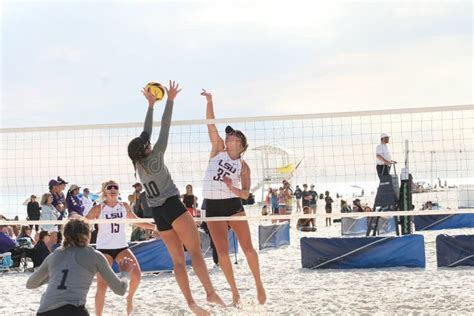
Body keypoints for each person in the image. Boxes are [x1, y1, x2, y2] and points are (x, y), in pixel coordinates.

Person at [127, 81, 224, 314]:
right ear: (147, 148)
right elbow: (165, 127)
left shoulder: (138, 162)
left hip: (158, 214)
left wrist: (151, 105)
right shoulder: (156, 155)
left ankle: (191, 302)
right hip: (172, 205)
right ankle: (210, 293)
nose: (149, 141)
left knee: (178, 262)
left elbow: (146, 132)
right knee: (196, 252)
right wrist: (169, 100)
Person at [201, 88, 266, 306]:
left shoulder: (243, 166)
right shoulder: (218, 149)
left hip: (233, 205)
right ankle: (234, 292)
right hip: (212, 207)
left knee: (248, 248)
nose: (228, 135)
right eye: (228, 134)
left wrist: (233, 188)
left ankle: (259, 284)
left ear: (239, 143)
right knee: (222, 253)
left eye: (232, 134)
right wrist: (210, 101)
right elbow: (210, 123)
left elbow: (246, 194)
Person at [27, 218, 135, 316]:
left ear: (65, 234)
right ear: (89, 235)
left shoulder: (54, 255)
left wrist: (55, 275)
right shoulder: (95, 255)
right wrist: (125, 272)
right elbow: (120, 290)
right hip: (72, 310)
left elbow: (30, 284)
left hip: (44, 311)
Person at [86, 180, 156, 316]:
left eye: (115, 187)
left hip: (121, 248)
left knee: (136, 275)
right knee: (102, 285)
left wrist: (155, 227)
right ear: (105, 191)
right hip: (104, 250)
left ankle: (129, 298)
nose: (112, 189)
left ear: (118, 191)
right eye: (109, 187)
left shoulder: (124, 206)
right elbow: (85, 221)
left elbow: (137, 221)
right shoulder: (98, 208)